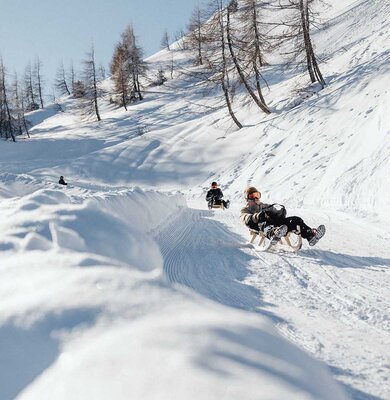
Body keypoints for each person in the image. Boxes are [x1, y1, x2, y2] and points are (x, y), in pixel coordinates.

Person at [240, 186, 325, 246]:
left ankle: (310, 235)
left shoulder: (264, 205)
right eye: (252, 196)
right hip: (262, 226)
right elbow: (245, 219)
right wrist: (256, 216)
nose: (255, 198)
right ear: (247, 198)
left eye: (257, 195)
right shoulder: (245, 210)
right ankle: (274, 234)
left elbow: (273, 210)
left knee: (296, 219)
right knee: (263, 221)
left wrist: (279, 210)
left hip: (279, 226)